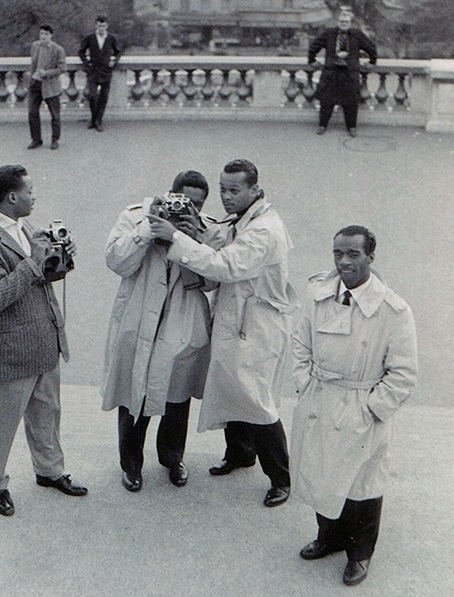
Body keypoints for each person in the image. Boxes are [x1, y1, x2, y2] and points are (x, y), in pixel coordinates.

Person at [148, 159, 297, 507]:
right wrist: (195, 231)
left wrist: (178, 240)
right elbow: (224, 238)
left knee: (254, 399)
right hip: (237, 316)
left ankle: (281, 477)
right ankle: (241, 454)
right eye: (223, 189)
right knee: (232, 386)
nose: (227, 197)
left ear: (254, 190)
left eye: (234, 190)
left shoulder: (264, 230)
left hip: (256, 324)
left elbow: (226, 264)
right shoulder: (249, 219)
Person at [291, 225, 418, 586]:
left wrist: (372, 409)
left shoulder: (393, 310)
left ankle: (359, 554)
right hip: (321, 399)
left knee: (362, 483)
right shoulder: (318, 296)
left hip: (361, 404)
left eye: (353, 254)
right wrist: (304, 385)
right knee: (321, 471)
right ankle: (328, 537)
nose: (343, 262)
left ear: (370, 257)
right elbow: (300, 345)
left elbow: (404, 373)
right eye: (337, 254)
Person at [0, 165, 87, 518]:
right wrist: (35, 261)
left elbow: (45, 276)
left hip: (45, 341)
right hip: (14, 351)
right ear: (12, 197)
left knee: (47, 413)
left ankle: (50, 471)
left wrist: (62, 259)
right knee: (3, 422)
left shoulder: (26, 228)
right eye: (30, 191)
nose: (35, 196)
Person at [102, 171, 223, 492]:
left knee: (177, 399)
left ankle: (172, 458)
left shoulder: (207, 228)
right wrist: (147, 228)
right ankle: (130, 464)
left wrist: (188, 240)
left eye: (196, 204)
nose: (188, 209)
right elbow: (116, 261)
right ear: (168, 194)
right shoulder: (136, 216)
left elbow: (213, 280)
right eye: (182, 201)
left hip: (182, 325)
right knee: (134, 396)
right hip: (138, 319)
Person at [309, 11, 377, 137]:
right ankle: (322, 125)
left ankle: (351, 127)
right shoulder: (328, 33)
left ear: (350, 23)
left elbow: (371, 47)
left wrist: (372, 62)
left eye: (346, 22)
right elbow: (314, 46)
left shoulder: (357, 34)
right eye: (341, 21)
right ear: (337, 22)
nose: (343, 24)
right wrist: (311, 60)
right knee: (326, 101)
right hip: (331, 73)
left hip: (349, 74)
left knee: (351, 102)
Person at [78, 15, 122, 132]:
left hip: (106, 72)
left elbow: (118, 52)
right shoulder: (90, 37)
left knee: (103, 97)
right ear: (95, 26)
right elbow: (81, 52)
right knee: (92, 96)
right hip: (93, 72)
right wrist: (87, 65)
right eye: (99, 26)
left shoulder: (111, 38)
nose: (101, 28)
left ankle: (98, 121)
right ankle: (93, 118)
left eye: (103, 26)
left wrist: (114, 61)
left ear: (107, 26)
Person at [27, 24, 67, 150]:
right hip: (35, 84)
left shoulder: (58, 49)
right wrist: (32, 78)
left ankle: (55, 139)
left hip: (50, 86)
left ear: (51, 35)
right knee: (32, 112)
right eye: (41, 34)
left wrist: (47, 73)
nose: (43, 36)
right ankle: (36, 139)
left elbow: (62, 68)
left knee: (55, 114)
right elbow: (33, 63)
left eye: (46, 34)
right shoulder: (35, 46)